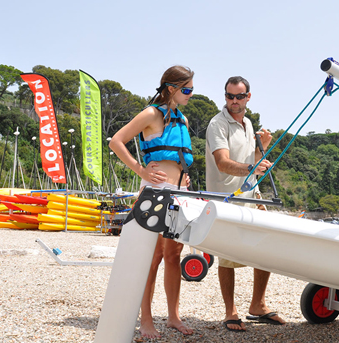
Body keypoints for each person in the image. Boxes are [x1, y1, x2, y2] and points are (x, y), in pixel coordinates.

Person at [109, 65, 195, 338]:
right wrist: (140, 170)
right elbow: (117, 141)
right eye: (187, 89)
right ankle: (145, 319)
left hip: (180, 193)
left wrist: (185, 178)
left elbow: (178, 157)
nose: (190, 94)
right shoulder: (150, 114)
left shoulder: (182, 119)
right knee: (152, 257)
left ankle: (173, 316)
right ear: (171, 88)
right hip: (156, 191)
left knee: (173, 255)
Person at [205, 76, 286, 332]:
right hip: (226, 198)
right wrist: (252, 165)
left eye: (239, 96)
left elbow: (253, 163)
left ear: (248, 97)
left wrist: (263, 149)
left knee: (266, 246)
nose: (234, 101)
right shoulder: (217, 124)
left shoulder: (249, 123)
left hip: (252, 195)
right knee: (228, 256)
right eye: (230, 96)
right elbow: (223, 163)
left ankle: (257, 305)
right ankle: (230, 311)